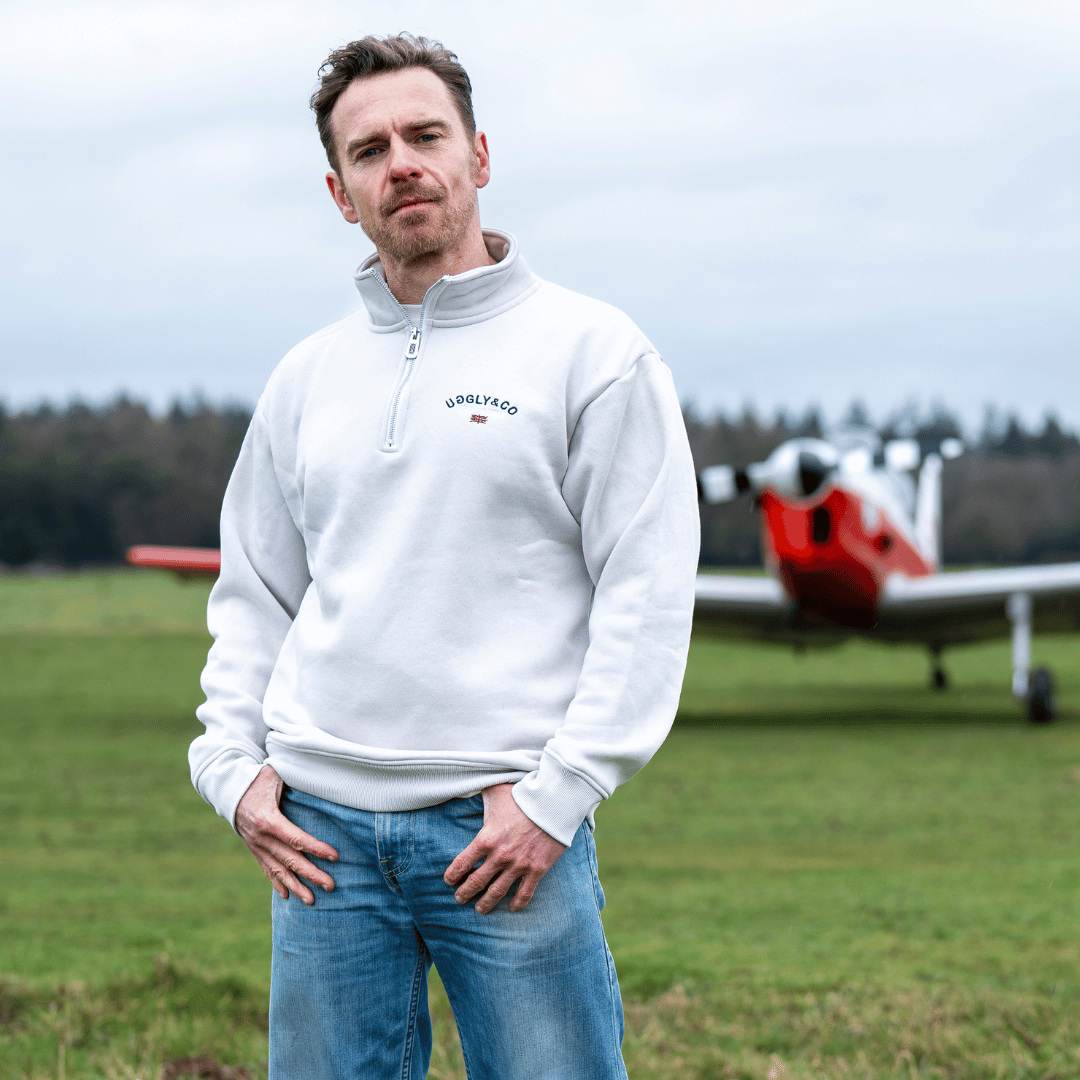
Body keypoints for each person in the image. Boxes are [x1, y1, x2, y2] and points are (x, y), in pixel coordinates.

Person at [190, 32, 699, 1080]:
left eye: (426, 136)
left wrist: (559, 796)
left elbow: (645, 596)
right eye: (370, 151)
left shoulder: (596, 354)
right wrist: (231, 772)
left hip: (506, 832)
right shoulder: (304, 380)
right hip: (319, 843)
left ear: (480, 154)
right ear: (342, 194)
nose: (403, 165)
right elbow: (255, 596)